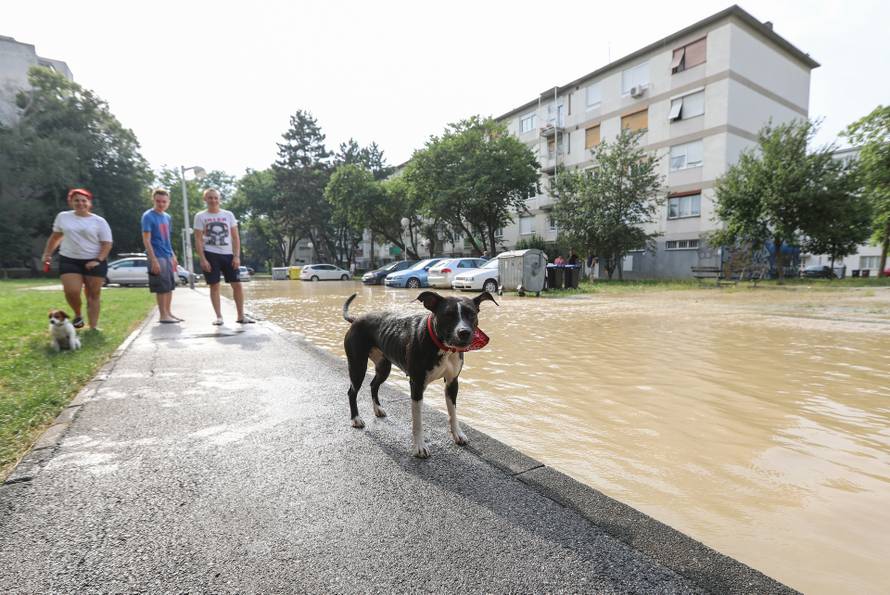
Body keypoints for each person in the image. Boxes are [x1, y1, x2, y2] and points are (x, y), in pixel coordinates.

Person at [41, 188, 112, 331]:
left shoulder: (99, 221)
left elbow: (107, 244)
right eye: (76, 200)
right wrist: (47, 253)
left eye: (84, 200)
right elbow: (56, 236)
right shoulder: (63, 217)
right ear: (71, 202)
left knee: (93, 294)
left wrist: (97, 260)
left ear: (89, 203)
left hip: (94, 259)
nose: (80, 203)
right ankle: (78, 314)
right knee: (71, 291)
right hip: (69, 259)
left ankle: (93, 326)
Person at [193, 188, 254, 325]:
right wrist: (202, 258)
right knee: (214, 285)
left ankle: (240, 316)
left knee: (237, 284)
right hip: (210, 254)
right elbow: (197, 239)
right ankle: (219, 317)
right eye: (210, 198)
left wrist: (237, 256)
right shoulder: (200, 216)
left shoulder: (228, 215)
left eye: (215, 198)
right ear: (205, 199)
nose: (213, 200)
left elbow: (235, 237)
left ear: (219, 199)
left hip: (228, 254)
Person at [141, 189, 182, 323]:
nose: (161, 204)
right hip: (156, 255)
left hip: (167, 255)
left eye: (164, 201)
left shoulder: (167, 217)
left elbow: (167, 238)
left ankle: (169, 313)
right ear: (153, 200)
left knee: (169, 286)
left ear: (168, 202)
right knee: (162, 287)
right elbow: (146, 240)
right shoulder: (148, 216)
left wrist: (173, 255)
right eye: (158, 201)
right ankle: (163, 315)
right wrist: (153, 260)